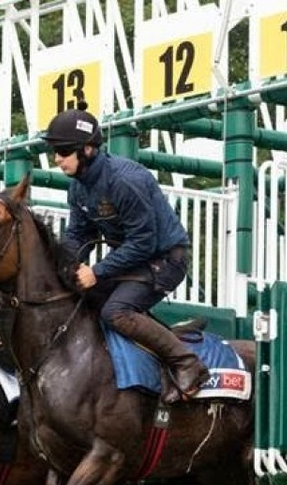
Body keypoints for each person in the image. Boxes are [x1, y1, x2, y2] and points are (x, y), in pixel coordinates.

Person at [44, 101, 209, 403]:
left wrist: (97, 272)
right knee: (77, 297)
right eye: (54, 152)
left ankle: (188, 363)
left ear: (88, 150)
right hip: (134, 261)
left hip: (165, 260)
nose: (57, 159)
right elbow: (78, 234)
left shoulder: (124, 181)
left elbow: (144, 242)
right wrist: (60, 266)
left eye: (63, 152)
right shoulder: (77, 187)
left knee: (115, 312)